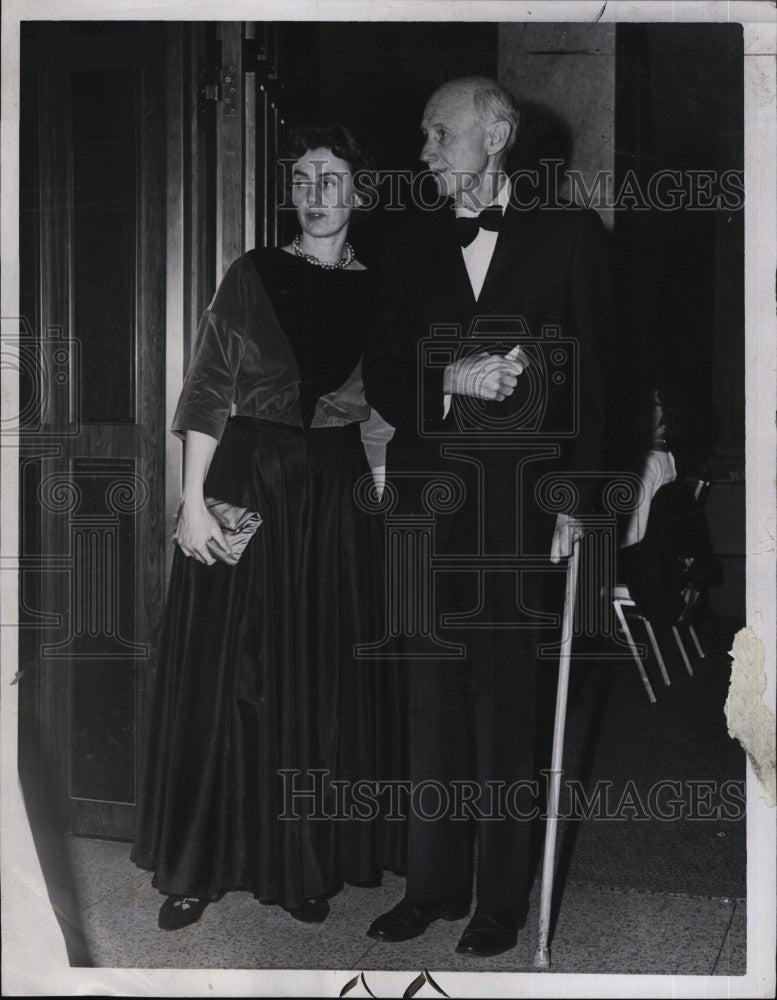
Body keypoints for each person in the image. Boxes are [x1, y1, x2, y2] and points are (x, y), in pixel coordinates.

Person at [362, 77, 612, 957]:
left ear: (495, 134)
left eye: (438, 134)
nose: (426, 152)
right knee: (425, 701)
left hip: (521, 509)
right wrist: (447, 379)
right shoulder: (405, 244)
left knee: (507, 707)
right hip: (426, 503)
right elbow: (386, 371)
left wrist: (579, 503)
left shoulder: (572, 237)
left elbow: (599, 390)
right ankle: (430, 885)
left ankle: (499, 901)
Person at [131, 124, 403, 930]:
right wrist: (190, 501)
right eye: (304, 178)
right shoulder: (253, 273)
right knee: (228, 677)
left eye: (332, 178)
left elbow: (379, 402)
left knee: (314, 681)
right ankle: (197, 868)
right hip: (247, 478)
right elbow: (209, 388)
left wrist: (380, 478)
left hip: (333, 493)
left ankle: (302, 865)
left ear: (358, 193)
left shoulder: (381, 286)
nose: (316, 193)